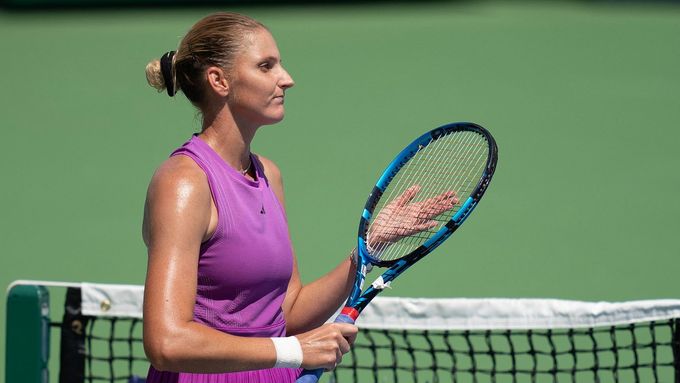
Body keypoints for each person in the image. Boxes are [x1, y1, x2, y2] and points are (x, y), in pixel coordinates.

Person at [142, 12, 359, 383]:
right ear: (219, 80)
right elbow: (166, 343)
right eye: (266, 66)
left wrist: (366, 252)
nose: (286, 79)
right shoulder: (184, 183)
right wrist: (293, 350)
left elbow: (287, 313)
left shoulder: (269, 175)